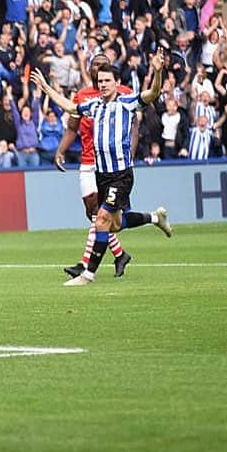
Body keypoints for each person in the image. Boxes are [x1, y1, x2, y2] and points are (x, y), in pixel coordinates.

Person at [33, 49, 172, 286]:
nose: (103, 84)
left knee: (101, 219)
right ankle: (155, 217)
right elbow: (70, 107)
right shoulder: (94, 105)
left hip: (121, 174)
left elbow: (153, 93)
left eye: (108, 80)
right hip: (102, 175)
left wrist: (158, 73)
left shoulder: (128, 102)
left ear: (117, 82)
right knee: (115, 224)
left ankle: (88, 274)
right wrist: (47, 88)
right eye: (100, 81)